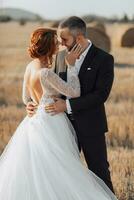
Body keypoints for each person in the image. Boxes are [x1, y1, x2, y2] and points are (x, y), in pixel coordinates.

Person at [0, 27, 117, 199]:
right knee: (63, 166)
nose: (60, 44)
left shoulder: (29, 67)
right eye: (56, 42)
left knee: (41, 167)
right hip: (52, 119)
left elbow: (26, 98)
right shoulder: (46, 72)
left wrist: (31, 105)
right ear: (50, 46)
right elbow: (74, 92)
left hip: (34, 121)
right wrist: (71, 67)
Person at [27, 16, 115, 193]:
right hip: (62, 128)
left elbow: (100, 95)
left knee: (99, 171)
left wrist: (66, 106)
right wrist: (31, 103)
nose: (61, 44)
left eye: (65, 39)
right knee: (63, 175)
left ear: (79, 38)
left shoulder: (104, 59)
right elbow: (48, 87)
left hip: (91, 127)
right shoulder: (59, 57)